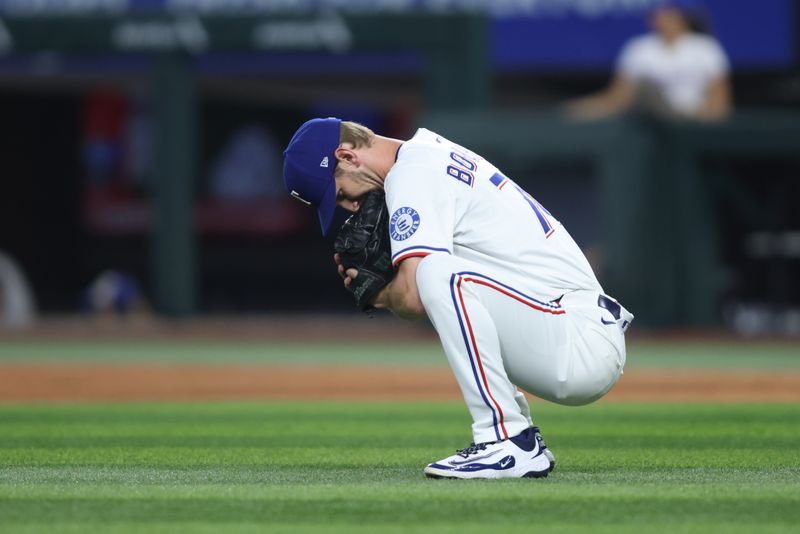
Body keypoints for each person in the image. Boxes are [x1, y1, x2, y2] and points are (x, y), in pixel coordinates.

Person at [283, 118, 633, 479]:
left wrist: (381, 296)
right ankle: (519, 437)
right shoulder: (427, 153)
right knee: (440, 272)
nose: (349, 207)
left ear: (347, 156)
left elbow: (415, 296)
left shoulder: (412, 173)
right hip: (567, 324)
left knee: (437, 273)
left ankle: (507, 440)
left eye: (339, 193)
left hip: (576, 337)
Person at [565, 0, 731, 121]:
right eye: (657, 15)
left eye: (667, 14)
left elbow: (719, 100)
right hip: (649, 120)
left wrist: (709, 125)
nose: (660, 19)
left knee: (647, 87)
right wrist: (583, 109)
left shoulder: (705, 48)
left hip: (693, 117)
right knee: (646, 88)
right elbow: (618, 98)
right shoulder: (639, 48)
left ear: (681, 17)